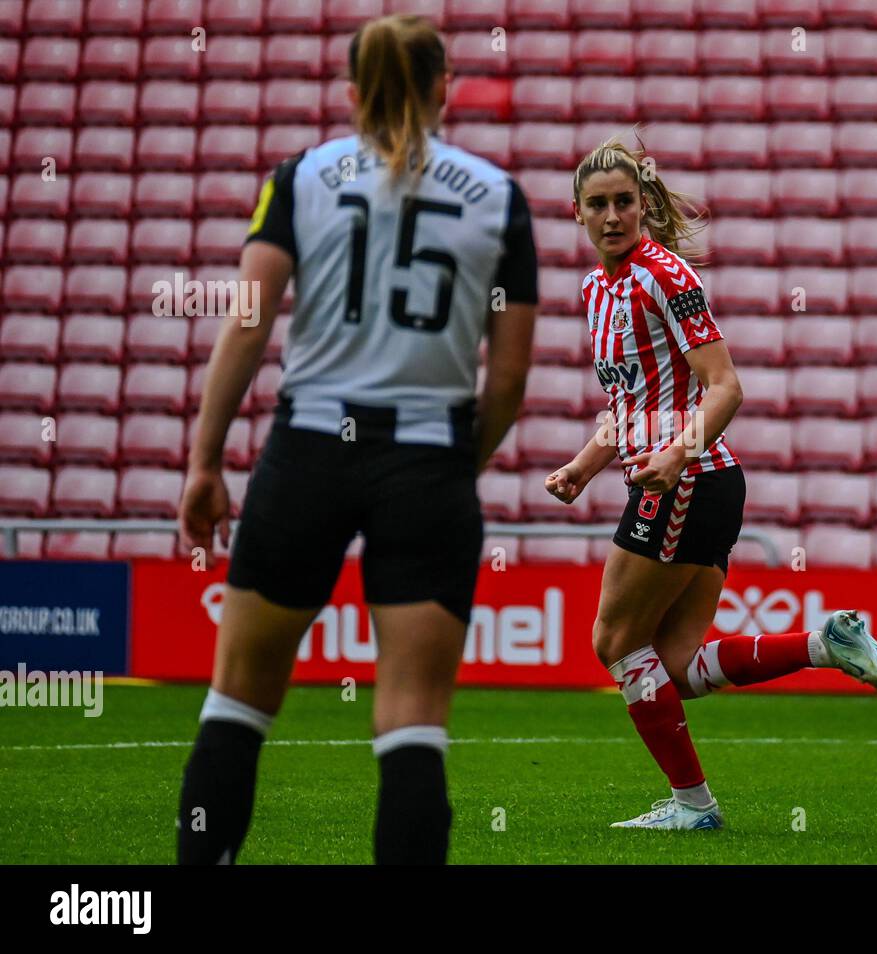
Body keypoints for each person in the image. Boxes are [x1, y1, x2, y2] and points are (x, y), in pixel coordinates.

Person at [175, 15, 537, 864]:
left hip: (307, 449)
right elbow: (511, 379)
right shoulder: (498, 196)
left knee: (237, 702)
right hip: (428, 458)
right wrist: (455, 466)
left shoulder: (299, 179)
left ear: (353, 93)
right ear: (446, 86)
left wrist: (203, 460)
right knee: (413, 721)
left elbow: (247, 324)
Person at [544, 135, 877, 831]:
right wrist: (584, 466)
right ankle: (822, 645)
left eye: (625, 201)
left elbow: (726, 387)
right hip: (688, 483)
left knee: (615, 641)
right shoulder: (598, 289)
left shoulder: (665, 276)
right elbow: (631, 407)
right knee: (676, 666)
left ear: (645, 205)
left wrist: (678, 456)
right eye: (598, 205)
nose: (613, 215)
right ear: (577, 214)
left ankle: (693, 807)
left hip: (689, 480)